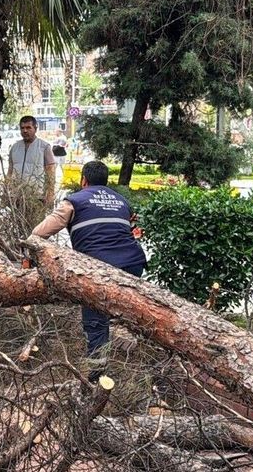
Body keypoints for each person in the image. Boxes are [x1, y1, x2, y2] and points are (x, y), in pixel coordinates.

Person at [32, 160, 146, 382]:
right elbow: (132, 232)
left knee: (95, 318)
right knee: (128, 309)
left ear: (83, 180)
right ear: (106, 181)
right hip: (133, 264)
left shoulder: (73, 201)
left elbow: (39, 233)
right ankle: (129, 345)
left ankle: (96, 376)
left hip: (98, 268)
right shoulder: (122, 201)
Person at [6, 115, 56, 235]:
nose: (25, 131)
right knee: (17, 229)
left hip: (37, 198)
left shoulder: (44, 147)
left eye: (28, 127)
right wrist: (6, 191)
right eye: (22, 128)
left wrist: (50, 193)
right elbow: (10, 172)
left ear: (35, 128)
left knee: (36, 231)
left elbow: (51, 173)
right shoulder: (15, 148)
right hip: (17, 197)